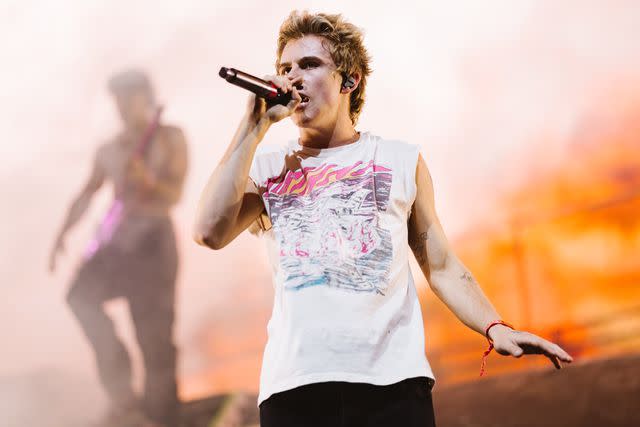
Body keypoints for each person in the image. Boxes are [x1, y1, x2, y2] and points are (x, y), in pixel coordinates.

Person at [194, 11, 573, 427]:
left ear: (349, 79)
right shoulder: (267, 167)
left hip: (392, 386)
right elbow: (208, 232)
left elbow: (441, 265)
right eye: (285, 68)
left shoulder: (399, 160)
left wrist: (495, 327)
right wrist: (252, 126)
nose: (293, 78)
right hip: (295, 389)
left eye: (309, 65)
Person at [49, 69, 188, 427]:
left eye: (130, 97)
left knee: (153, 336)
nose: (123, 107)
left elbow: (173, 195)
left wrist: (148, 180)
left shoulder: (170, 138)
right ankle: (123, 395)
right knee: (79, 296)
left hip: (154, 243)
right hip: (117, 245)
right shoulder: (109, 149)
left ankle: (163, 414)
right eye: (118, 100)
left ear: (147, 96)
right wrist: (62, 234)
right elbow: (88, 192)